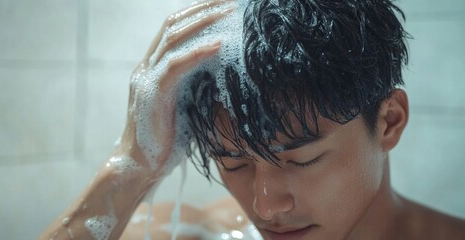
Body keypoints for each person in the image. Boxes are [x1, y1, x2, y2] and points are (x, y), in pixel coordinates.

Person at [41, 0, 465, 239]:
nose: (265, 206)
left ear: (389, 122)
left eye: (302, 160)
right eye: (234, 163)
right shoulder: (196, 233)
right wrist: (133, 161)